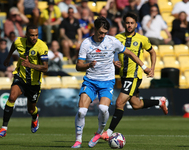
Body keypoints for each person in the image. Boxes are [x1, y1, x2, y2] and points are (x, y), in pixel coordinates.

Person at [71, 16, 151, 148]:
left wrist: (144, 67)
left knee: (103, 109)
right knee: (81, 112)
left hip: (107, 81)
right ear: (95, 30)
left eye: (105, 33)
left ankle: (98, 132)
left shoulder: (112, 41)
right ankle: (78, 140)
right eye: (100, 32)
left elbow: (130, 53)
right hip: (90, 81)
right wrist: (88, 65)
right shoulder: (86, 43)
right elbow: (78, 66)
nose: (102, 35)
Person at [100, 12, 168, 142]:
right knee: (136, 105)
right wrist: (114, 61)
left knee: (119, 102)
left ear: (136, 24)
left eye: (132, 23)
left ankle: (108, 133)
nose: (129, 25)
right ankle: (160, 102)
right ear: (124, 24)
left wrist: (152, 68)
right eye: (127, 23)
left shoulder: (142, 39)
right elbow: (110, 52)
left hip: (134, 76)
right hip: (123, 76)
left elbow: (152, 52)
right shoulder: (117, 38)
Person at [0, 24, 48, 137]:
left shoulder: (42, 46)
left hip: (34, 83)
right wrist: (8, 57)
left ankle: (35, 117)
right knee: (11, 97)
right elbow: (14, 45)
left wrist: (30, 65)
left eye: (36, 35)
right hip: (20, 77)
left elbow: (45, 67)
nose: (34, 37)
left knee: (31, 109)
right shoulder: (19, 41)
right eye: (32, 35)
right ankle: (3, 128)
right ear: (26, 35)